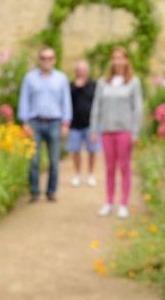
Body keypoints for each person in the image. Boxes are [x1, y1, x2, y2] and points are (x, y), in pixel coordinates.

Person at [90, 46, 143, 218]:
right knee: (109, 168)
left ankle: (123, 204)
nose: (117, 61)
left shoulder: (133, 82)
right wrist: (93, 129)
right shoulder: (102, 82)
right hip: (107, 131)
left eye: (120, 58)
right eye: (114, 58)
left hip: (124, 131)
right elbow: (96, 106)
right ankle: (109, 202)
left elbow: (138, 109)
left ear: (126, 60)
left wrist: (135, 132)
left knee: (125, 167)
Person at [17, 47, 72, 203]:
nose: (46, 61)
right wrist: (25, 122)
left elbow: (66, 102)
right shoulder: (30, 78)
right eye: (43, 58)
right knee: (33, 160)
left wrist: (66, 123)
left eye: (49, 58)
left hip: (55, 122)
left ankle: (51, 191)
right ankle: (34, 191)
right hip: (35, 122)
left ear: (54, 60)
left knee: (54, 160)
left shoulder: (61, 78)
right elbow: (24, 100)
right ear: (39, 59)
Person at [65, 60, 101, 187]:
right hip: (75, 124)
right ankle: (77, 174)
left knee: (92, 150)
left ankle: (90, 174)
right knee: (76, 151)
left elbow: (98, 103)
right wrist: (76, 87)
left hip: (91, 124)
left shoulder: (94, 85)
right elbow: (67, 102)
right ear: (76, 72)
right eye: (79, 71)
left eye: (84, 71)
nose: (81, 73)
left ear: (88, 72)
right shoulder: (70, 86)